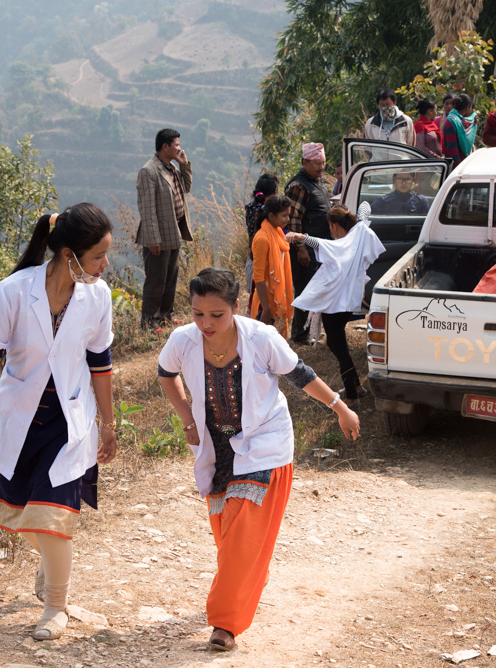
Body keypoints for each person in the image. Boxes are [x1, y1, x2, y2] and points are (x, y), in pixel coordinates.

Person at [157, 267, 360, 652]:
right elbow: (166, 374)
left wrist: (339, 407)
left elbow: (300, 375)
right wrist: (187, 418)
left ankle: (225, 625)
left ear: (235, 307)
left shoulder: (261, 338)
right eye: (199, 314)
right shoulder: (183, 340)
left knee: (244, 536)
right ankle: (249, 579)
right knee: (227, 534)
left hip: (265, 445)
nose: (206, 323)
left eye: (216, 315)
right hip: (216, 450)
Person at [0, 203, 118, 641]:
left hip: (69, 421)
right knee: (20, 514)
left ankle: (55, 606)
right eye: (98, 256)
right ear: (69, 255)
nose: (106, 265)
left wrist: (108, 423)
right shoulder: (13, 291)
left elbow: (100, 363)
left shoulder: (97, 296)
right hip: (18, 421)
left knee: (53, 514)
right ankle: (52, 568)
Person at [286, 203, 385, 405]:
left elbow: (320, 244)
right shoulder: (358, 236)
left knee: (338, 346)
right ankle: (356, 386)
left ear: (333, 225)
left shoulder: (343, 244)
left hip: (335, 305)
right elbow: (365, 208)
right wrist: (356, 217)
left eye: (330, 226)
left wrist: (300, 237)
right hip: (347, 302)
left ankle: (351, 395)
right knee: (338, 344)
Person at [136, 128, 193, 333]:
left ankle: (166, 316)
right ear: (165, 147)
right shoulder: (149, 171)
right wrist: (153, 238)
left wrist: (185, 166)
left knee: (170, 276)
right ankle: (150, 321)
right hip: (158, 235)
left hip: (173, 232)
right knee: (156, 279)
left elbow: (185, 188)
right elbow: (147, 209)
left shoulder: (171, 168)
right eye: (176, 145)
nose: (179, 148)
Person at [285, 142, 332, 344]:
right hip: (305, 248)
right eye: (317, 164)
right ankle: (300, 335)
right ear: (305, 162)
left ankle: (312, 331)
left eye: (323, 163)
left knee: (317, 290)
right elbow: (293, 219)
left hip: (319, 246)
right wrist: (301, 249)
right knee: (305, 290)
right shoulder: (299, 185)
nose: (321, 167)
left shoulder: (317, 181)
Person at [250, 195, 295, 337]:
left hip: (277, 297)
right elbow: (258, 277)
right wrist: (267, 309)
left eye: (289, 215)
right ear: (271, 216)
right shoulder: (262, 238)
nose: (288, 219)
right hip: (267, 301)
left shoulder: (277, 233)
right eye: (284, 215)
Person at [243, 174, 279, 313]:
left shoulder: (251, 208)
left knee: (254, 300)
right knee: (261, 304)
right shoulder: (267, 213)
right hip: (264, 263)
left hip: (252, 260)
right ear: (275, 191)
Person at [442, 93, 477, 165]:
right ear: (468, 107)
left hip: (465, 163)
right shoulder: (452, 122)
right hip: (457, 167)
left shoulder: (461, 121)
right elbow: (452, 150)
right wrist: (459, 168)